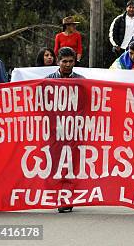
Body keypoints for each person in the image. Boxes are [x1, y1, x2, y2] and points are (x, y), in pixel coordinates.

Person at [45, 46, 85, 213]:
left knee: (72, 165)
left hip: (74, 131)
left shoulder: (82, 81)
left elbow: (85, 105)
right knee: (56, 164)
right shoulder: (48, 81)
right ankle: (56, 195)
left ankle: (67, 198)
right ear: (58, 61)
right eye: (65, 61)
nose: (68, 64)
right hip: (55, 131)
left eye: (71, 61)